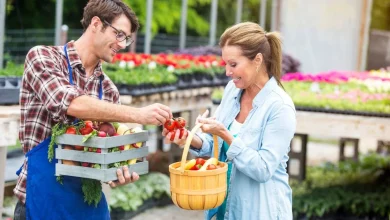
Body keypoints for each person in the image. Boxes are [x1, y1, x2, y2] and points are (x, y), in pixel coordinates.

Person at [13, 0, 172, 219]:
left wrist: (117, 170)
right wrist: (138, 114)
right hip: (41, 200)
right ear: (96, 24)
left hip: (88, 202)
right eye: (119, 35)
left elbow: (103, 154)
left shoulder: (107, 89)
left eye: (126, 39)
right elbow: (70, 103)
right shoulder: (43, 58)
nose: (122, 44)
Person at [163, 22, 296, 219]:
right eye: (225, 64)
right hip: (224, 206)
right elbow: (217, 146)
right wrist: (190, 138)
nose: (227, 72)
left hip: (260, 211)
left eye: (233, 64)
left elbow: (263, 169)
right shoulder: (232, 90)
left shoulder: (279, 107)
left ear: (257, 60)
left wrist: (225, 134)